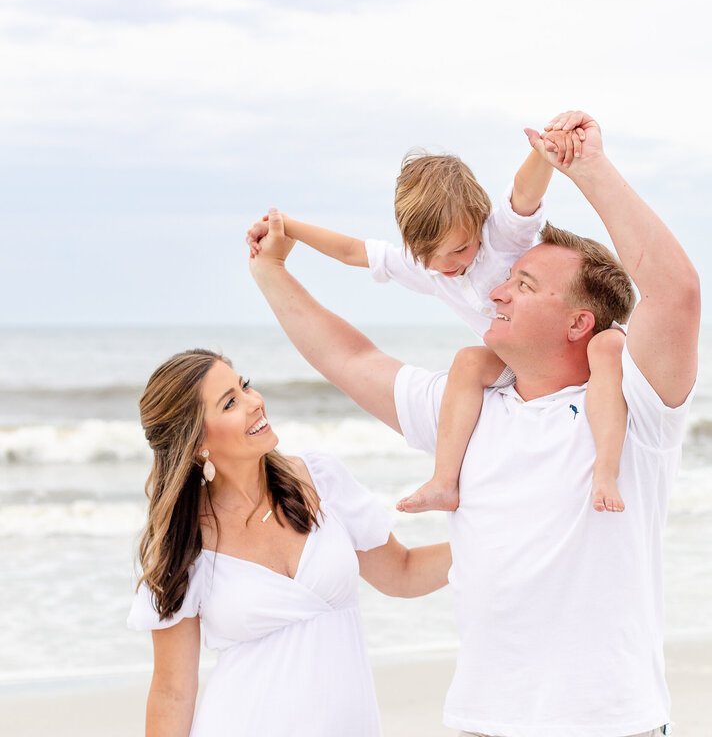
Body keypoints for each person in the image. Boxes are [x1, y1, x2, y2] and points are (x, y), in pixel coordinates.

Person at [249, 110, 701, 737]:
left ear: (578, 323)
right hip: (482, 723)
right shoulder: (467, 409)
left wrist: (586, 167)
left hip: (608, 723)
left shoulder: (634, 407)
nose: (495, 292)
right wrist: (271, 271)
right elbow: (349, 358)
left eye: (523, 282)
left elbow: (673, 290)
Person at [245, 144, 631, 514]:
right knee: (467, 361)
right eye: (432, 255)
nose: (448, 265)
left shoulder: (500, 239)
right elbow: (353, 252)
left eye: (461, 249)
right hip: (517, 364)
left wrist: (544, 152)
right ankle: (445, 480)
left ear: (479, 222)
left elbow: (524, 191)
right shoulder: (425, 268)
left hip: (589, 340)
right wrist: (288, 227)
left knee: (607, 348)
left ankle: (606, 469)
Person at [128, 349, 451, 736]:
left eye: (244, 385)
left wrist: (499, 540)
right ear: (196, 442)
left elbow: (403, 572)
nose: (254, 402)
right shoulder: (184, 544)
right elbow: (172, 692)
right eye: (231, 402)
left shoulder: (319, 478)